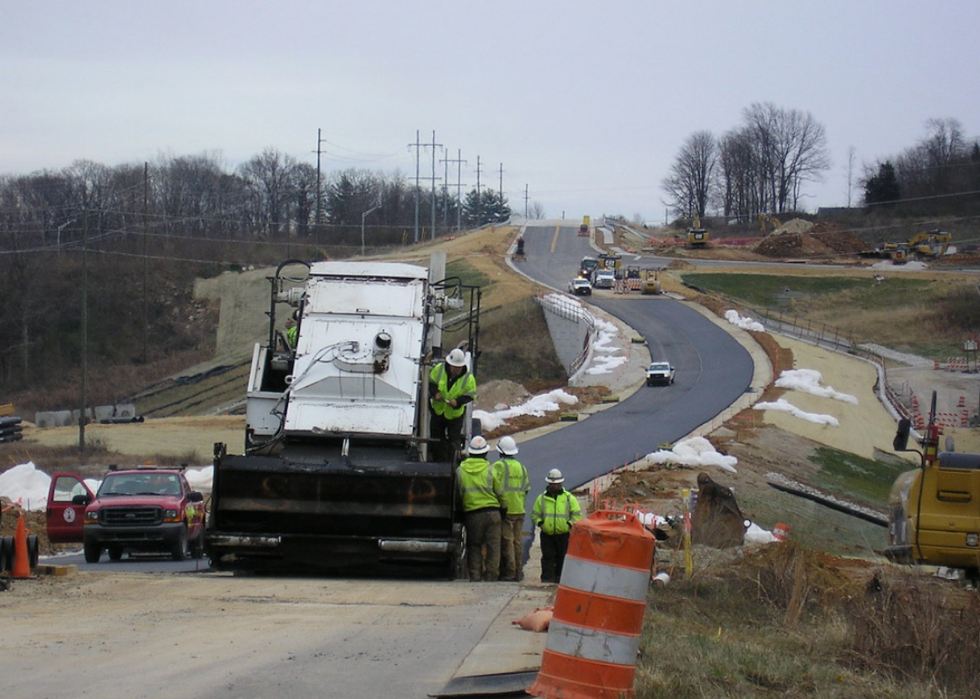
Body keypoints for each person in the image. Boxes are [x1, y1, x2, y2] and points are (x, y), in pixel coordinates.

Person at [456, 435, 504, 582]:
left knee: (474, 546)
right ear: (485, 453)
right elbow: (501, 493)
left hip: (473, 515)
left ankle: (475, 576)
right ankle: (491, 577)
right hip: (493, 513)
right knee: (493, 547)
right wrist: (504, 509)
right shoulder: (491, 470)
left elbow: (458, 494)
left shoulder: (460, 471)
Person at [531, 468, 582, 584]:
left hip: (563, 534)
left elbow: (577, 515)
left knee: (562, 558)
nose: (554, 486)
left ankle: (561, 579)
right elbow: (535, 514)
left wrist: (569, 524)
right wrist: (540, 524)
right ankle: (547, 579)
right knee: (548, 557)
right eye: (552, 484)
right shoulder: (542, 499)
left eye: (556, 484)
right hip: (547, 534)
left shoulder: (569, 498)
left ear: (561, 483)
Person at [492, 436, 530, 582]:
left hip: (506, 509)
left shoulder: (498, 466)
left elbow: (494, 487)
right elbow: (526, 489)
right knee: (517, 542)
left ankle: (510, 573)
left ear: (500, 451)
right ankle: (518, 572)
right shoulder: (522, 467)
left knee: (507, 541)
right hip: (519, 509)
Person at [429, 348, 476, 462]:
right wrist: (436, 393)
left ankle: (451, 464)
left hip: (455, 415)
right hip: (438, 411)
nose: (457, 369)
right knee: (436, 439)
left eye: (459, 367)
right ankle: (438, 462)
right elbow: (431, 383)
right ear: (449, 364)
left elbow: (470, 395)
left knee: (454, 441)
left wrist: (458, 402)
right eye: (455, 367)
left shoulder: (468, 378)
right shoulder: (439, 369)